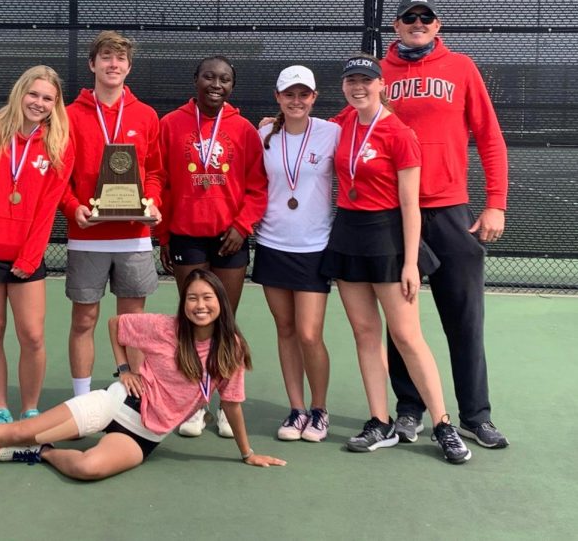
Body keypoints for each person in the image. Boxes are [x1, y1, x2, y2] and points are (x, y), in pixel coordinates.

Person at [0, 268, 286, 479]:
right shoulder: (166, 327)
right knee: (18, 429)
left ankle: (42, 454)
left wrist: (247, 452)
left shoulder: (230, 348)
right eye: (193, 299)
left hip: (145, 435)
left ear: (221, 303)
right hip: (116, 405)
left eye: (208, 299)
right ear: (184, 304)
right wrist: (124, 368)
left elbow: (232, 404)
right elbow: (118, 325)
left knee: (87, 468)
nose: (200, 306)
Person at [320, 54, 471, 464]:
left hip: (388, 239)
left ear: (381, 84)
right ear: (344, 87)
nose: (358, 87)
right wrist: (272, 122)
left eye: (366, 81)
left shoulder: (400, 133)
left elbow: (410, 205)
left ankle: (442, 424)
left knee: (406, 336)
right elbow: (303, 130)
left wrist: (409, 262)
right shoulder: (342, 125)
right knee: (365, 334)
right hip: (348, 235)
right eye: (351, 81)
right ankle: (379, 421)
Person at [384, 0, 510, 449]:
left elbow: (490, 137)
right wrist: (282, 122)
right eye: (408, 17)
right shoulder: (380, 73)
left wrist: (495, 202)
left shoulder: (461, 68)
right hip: (396, 213)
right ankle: (408, 410)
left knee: (464, 318)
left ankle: (475, 414)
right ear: (395, 26)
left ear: (438, 26)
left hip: (450, 210)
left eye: (426, 17)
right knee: (402, 319)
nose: (418, 23)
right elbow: (348, 121)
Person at [158, 55, 268, 438]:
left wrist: (242, 225)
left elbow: (258, 187)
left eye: (224, 79)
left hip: (229, 237)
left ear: (232, 87)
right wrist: (165, 235)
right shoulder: (170, 124)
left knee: (224, 323)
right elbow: (164, 182)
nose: (216, 84)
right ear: (196, 80)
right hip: (186, 234)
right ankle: (194, 404)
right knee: (193, 322)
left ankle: (227, 403)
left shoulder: (244, 130)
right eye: (209, 76)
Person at [0, 65, 74, 423]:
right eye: (33, 94)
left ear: (55, 104)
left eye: (47, 98)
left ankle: (29, 408)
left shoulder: (59, 143)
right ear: (20, 93)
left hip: (26, 256)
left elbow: (49, 207)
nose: (38, 103)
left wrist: (30, 257)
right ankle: (0, 408)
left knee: (32, 335)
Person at [60, 31, 164, 398]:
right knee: (84, 319)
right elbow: (61, 175)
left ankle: (134, 396)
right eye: (105, 57)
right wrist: (75, 208)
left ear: (128, 67)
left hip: (134, 235)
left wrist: (152, 202)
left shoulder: (146, 115)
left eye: (120, 59)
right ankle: (82, 397)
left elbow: (154, 171)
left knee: (132, 323)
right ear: (92, 64)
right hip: (87, 234)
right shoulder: (69, 116)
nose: (113, 64)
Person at [254, 65, 339, 443]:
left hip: (314, 247)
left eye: (304, 94)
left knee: (308, 333)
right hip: (272, 244)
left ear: (314, 99)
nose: (296, 101)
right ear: (278, 98)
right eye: (289, 94)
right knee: (285, 330)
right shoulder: (263, 135)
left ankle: (319, 409)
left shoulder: (331, 133)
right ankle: (296, 408)